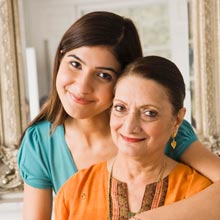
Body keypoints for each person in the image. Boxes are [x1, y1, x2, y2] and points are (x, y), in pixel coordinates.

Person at [17, 11, 220, 220]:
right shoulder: (40, 141)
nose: (82, 86)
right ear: (59, 58)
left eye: (103, 75)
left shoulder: (162, 129)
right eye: (75, 64)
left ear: (123, 80)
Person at [54, 55, 212, 219]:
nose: (129, 126)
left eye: (149, 113)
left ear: (177, 119)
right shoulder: (73, 192)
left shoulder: (198, 191)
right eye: (121, 108)